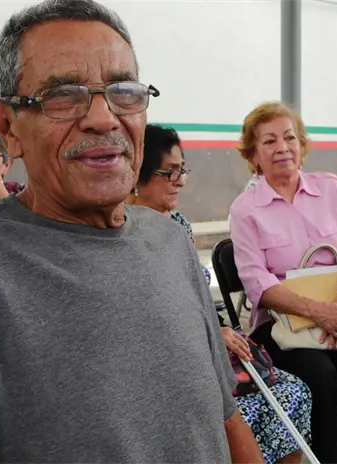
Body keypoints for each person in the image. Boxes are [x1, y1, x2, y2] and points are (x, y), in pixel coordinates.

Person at [0, 1, 262, 463]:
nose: (104, 118)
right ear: (9, 128)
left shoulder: (168, 240)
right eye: (63, 95)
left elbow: (223, 416)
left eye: (124, 92)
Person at [130, 123, 311, 464]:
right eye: (169, 172)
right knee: (244, 405)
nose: (180, 180)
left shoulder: (177, 224)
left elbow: (196, 299)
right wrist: (212, 334)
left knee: (293, 390)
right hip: (172, 357)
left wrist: (218, 331)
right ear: (137, 175)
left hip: (207, 342)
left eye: (181, 170)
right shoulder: (124, 231)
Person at [229, 101, 337, 464]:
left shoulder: (332, 189)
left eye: (289, 137)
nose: (282, 147)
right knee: (322, 379)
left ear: (301, 146)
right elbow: (258, 284)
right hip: (284, 328)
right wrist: (319, 312)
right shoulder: (246, 209)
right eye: (269, 141)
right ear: (253, 155)